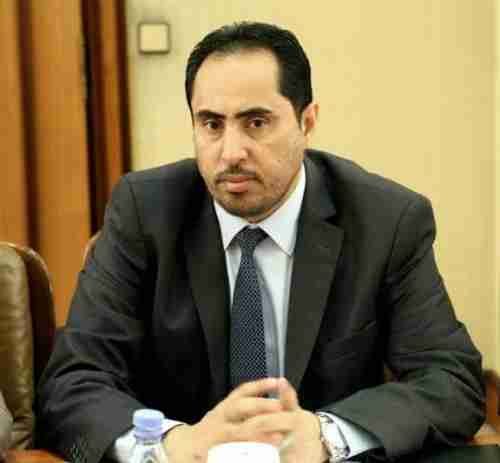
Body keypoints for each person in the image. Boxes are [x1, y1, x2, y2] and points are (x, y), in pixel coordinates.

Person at [37, 22, 485, 463]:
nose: (231, 152)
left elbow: (450, 380)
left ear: (307, 122)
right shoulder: (144, 212)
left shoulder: (385, 221)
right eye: (211, 124)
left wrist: (326, 436)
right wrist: (171, 445)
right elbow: (72, 383)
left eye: (256, 122)